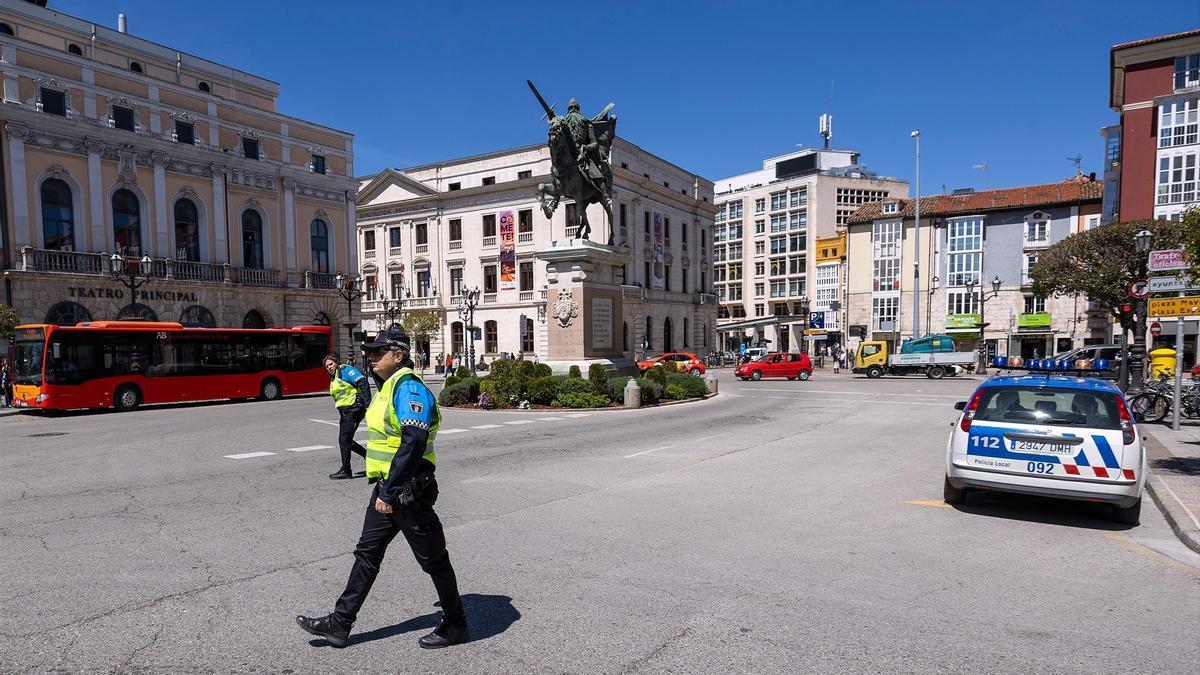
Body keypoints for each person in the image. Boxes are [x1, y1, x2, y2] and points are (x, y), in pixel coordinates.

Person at [297, 325, 467, 649]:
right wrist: (385, 490)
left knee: (434, 560)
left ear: (398, 355)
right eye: (370, 352)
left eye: (378, 352)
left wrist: (390, 492)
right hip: (388, 488)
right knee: (367, 554)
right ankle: (340, 622)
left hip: (406, 492)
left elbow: (414, 440)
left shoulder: (409, 387)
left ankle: (456, 622)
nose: (371, 357)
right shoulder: (390, 386)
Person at [324, 355, 371, 480]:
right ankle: (369, 457)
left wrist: (368, 405)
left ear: (336, 362)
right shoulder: (334, 378)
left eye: (331, 364)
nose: (329, 367)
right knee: (347, 440)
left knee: (344, 440)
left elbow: (363, 382)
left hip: (354, 409)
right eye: (327, 366)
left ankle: (346, 470)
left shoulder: (345, 370)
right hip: (345, 412)